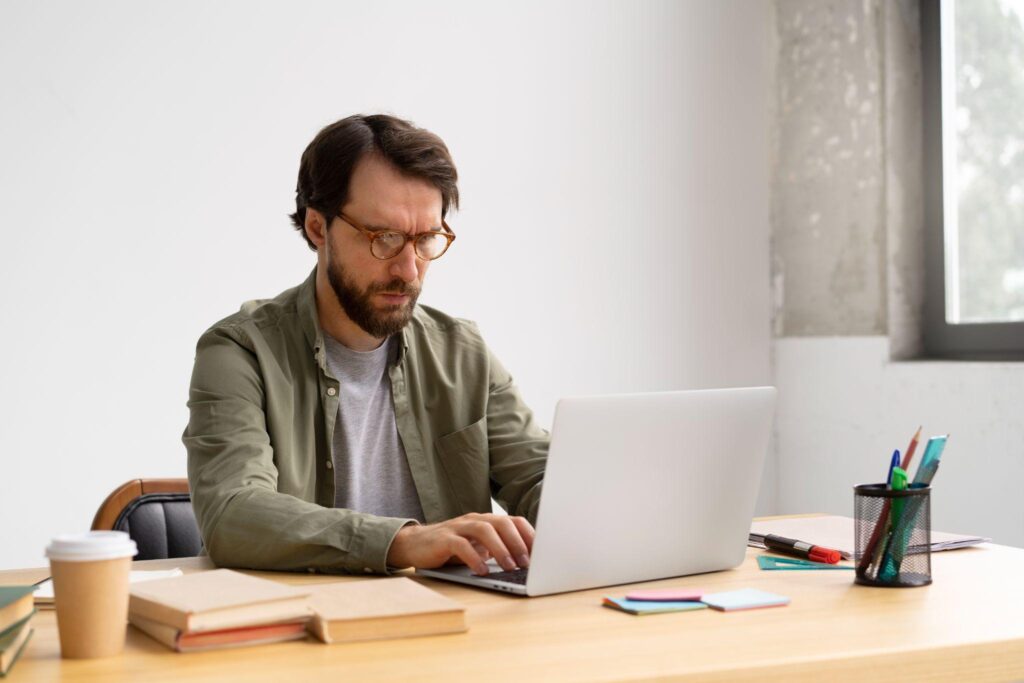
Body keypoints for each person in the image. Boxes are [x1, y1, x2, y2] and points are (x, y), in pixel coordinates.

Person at [183, 114, 548, 576]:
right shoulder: (240, 353)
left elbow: (539, 479)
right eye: (385, 238)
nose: (409, 270)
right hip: (310, 633)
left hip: (455, 628)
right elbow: (233, 514)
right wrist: (403, 542)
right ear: (318, 228)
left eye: (426, 240)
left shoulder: (463, 352)